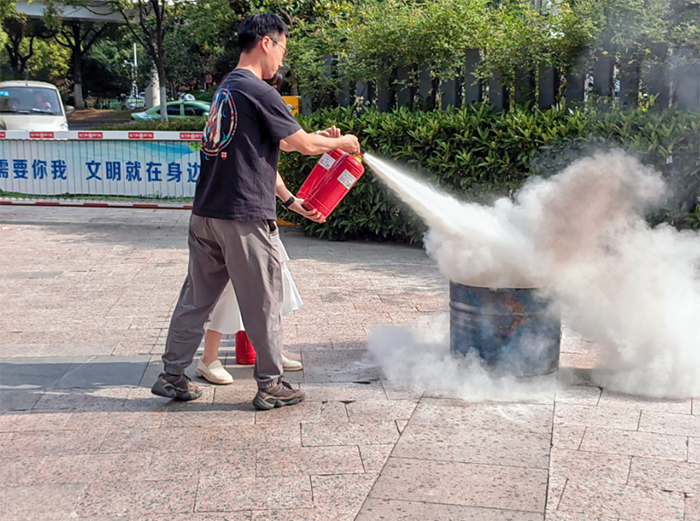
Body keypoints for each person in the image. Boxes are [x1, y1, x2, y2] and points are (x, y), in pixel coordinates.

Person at [150, 13, 361, 410]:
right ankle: (270, 384)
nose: (282, 59)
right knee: (264, 301)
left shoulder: (227, 89)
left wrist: (315, 146)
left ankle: (172, 374)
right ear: (266, 42)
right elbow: (302, 145)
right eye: (282, 49)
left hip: (206, 213)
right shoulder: (259, 90)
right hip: (242, 216)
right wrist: (342, 143)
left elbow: (281, 144)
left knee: (196, 299)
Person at [195, 67, 340, 386]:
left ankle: (269, 352)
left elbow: (273, 158)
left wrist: (290, 201)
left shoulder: (249, 102)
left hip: (257, 215)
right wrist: (339, 142)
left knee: (274, 281)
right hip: (236, 214)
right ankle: (209, 358)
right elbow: (295, 145)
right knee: (229, 286)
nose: (273, 94)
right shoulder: (245, 102)